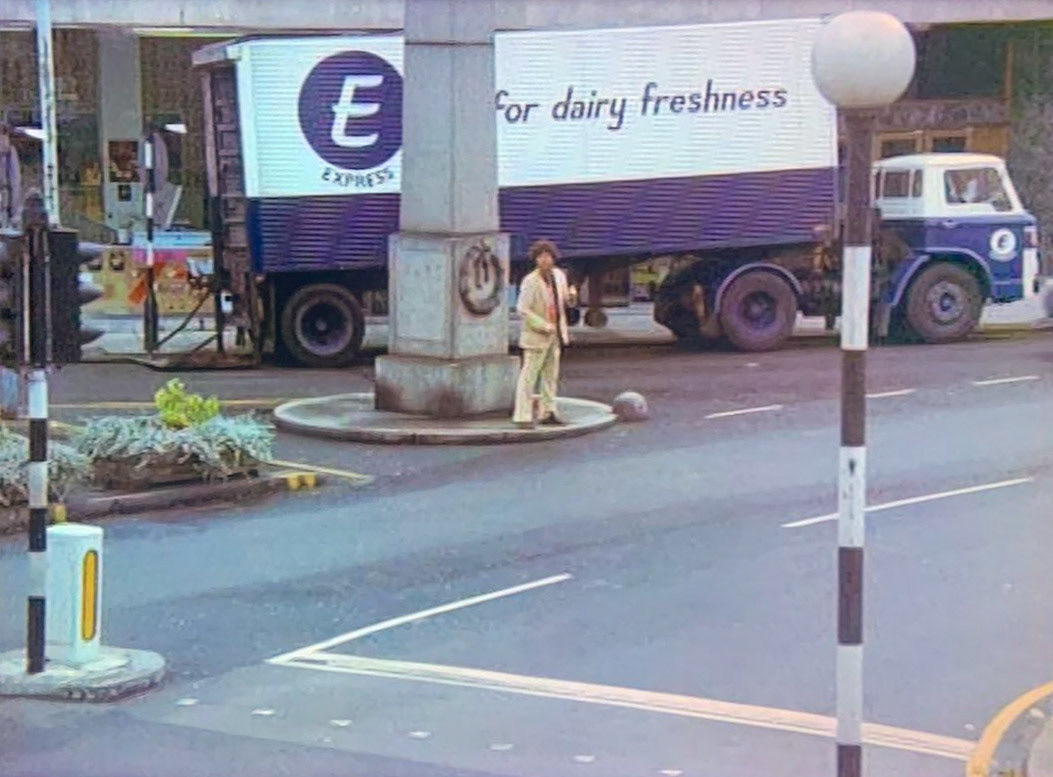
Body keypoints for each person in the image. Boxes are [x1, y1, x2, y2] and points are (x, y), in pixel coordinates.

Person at [513, 239, 575, 427]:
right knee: (529, 376)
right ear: (535, 259)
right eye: (540, 257)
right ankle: (522, 415)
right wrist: (542, 325)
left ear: (554, 258)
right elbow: (523, 308)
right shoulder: (530, 281)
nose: (545, 260)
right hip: (536, 335)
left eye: (548, 256)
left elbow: (564, 301)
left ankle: (548, 411)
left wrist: (572, 297)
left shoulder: (559, 276)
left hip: (555, 334)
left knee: (550, 375)